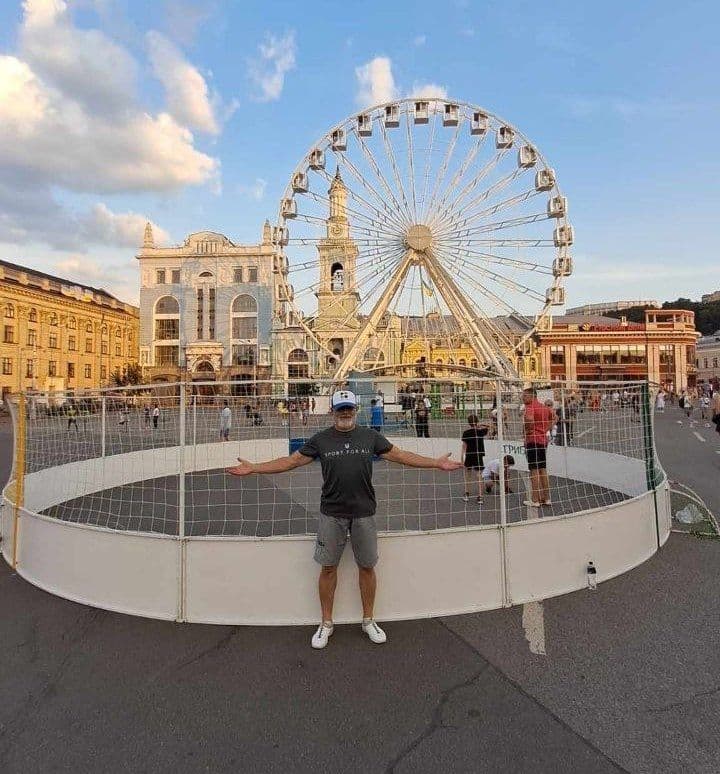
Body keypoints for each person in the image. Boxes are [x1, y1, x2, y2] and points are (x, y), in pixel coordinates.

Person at [225, 389, 463, 649]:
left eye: (349, 408)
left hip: (364, 512)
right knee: (328, 568)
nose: (345, 413)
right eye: (341, 409)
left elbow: (401, 456)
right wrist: (255, 467)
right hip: (332, 513)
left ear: (355, 410)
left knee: (367, 566)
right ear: (333, 412)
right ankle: (326, 623)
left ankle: (368, 620)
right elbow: (290, 462)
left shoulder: (370, 436)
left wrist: (435, 463)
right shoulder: (321, 440)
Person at [522, 387, 554, 507]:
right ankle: (547, 498)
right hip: (542, 440)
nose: (523, 398)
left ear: (532, 396)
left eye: (525, 395)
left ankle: (535, 499)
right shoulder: (544, 407)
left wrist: (527, 431)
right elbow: (555, 417)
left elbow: (529, 419)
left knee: (534, 470)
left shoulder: (530, 407)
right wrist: (544, 430)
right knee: (542, 469)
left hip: (533, 440)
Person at [461, 414, 489, 503]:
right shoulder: (481, 432)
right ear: (477, 421)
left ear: (468, 423)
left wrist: (462, 457)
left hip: (469, 455)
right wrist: (480, 425)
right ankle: (480, 496)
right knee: (479, 475)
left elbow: (464, 446)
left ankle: (467, 493)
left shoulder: (466, 433)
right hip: (478, 455)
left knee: (467, 475)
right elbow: (489, 426)